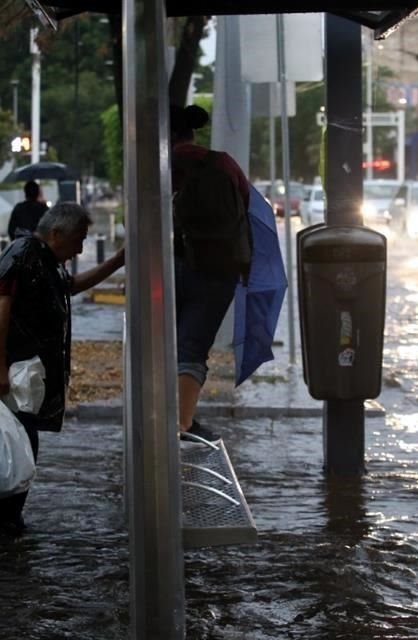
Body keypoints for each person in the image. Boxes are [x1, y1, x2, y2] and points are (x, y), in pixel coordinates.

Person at [0, 202, 125, 533]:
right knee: (9, 445)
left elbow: (71, 286)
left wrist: (117, 261)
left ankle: (7, 521)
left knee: (21, 444)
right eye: (78, 239)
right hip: (12, 376)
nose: (80, 247)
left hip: (25, 377)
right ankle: (0, 521)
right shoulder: (23, 254)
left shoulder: (46, 261)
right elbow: (1, 305)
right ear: (56, 233)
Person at [170, 104, 251, 444]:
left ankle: (173, 420)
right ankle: (183, 421)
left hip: (168, 264)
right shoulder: (223, 162)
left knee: (161, 344)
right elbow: (246, 206)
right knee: (193, 345)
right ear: (191, 132)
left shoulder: (160, 164)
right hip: (218, 269)